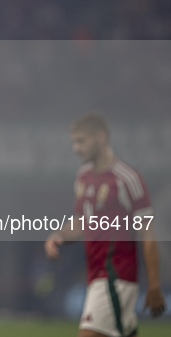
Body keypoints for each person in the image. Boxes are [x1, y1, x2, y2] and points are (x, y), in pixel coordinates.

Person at [45, 112, 166, 337]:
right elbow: (82, 223)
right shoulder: (83, 177)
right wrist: (59, 235)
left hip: (116, 276)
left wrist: (155, 285)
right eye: (74, 142)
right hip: (96, 275)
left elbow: (148, 234)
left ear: (100, 137)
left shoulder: (127, 179)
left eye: (81, 141)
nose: (76, 148)